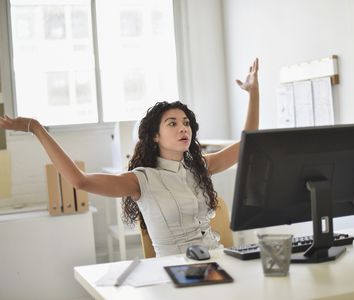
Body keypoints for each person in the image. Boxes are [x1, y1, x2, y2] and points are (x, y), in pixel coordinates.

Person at [0, 58, 260, 257]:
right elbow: (79, 180)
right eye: (172, 123)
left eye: (186, 123)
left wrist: (253, 93)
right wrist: (36, 128)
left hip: (215, 263)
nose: (183, 128)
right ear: (155, 136)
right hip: (175, 274)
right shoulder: (141, 180)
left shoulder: (200, 167)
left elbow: (248, 145)